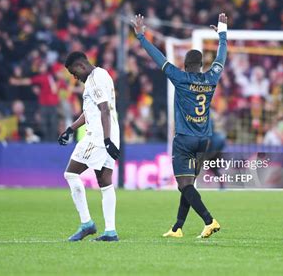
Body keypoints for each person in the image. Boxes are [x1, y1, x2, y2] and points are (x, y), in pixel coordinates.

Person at [132, 13, 228, 238]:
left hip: (184, 139)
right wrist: (223, 34)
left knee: (184, 185)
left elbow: (159, 59)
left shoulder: (180, 77)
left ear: (185, 65)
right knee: (189, 183)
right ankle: (177, 227)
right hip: (204, 140)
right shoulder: (211, 77)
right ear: (203, 64)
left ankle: (209, 220)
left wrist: (141, 37)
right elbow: (221, 59)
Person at [58, 51, 121, 242]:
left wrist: (106, 140)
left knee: (70, 174)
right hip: (109, 134)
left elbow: (103, 109)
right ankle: (110, 231)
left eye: (74, 73)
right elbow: (91, 111)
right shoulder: (102, 75)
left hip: (98, 137)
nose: (74, 77)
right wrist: (71, 128)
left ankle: (87, 224)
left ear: (82, 66)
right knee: (105, 182)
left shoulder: (93, 80)